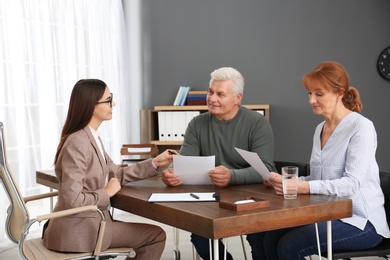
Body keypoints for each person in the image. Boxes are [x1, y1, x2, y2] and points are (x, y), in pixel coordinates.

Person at [250, 61, 390, 259]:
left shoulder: (362, 127)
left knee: (290, 246)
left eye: (319, 94)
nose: (311, 100)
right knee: (267, 237)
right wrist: (283, 182)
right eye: (309, 93)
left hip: (361, 221)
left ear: (339, 93)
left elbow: (351, 184)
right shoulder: (320, 129)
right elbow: (319, 178)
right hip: (325, 214)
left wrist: (300, 187)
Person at [42, 79, 178, 260]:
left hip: (89, 222)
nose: (113, 103)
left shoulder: (91, 137)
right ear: (91, 105)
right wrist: (105, 192)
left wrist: (155, 162)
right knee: (155, 236)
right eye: (108, 100)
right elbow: (72, 200)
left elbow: (116, 173)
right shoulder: (78, 142)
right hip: (79, 231)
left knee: (151, 233)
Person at [161, 67, 276, 260]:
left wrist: (232, 176)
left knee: (258, 237)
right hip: (212, 199)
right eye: (210, 92)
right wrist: (171, 172)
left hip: (251, 198)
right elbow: (185, 161)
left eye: (220, 94)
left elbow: (265, 169)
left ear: (238, 98)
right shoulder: (197, 123)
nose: (212, 98)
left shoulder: (257, 123)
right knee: (200, 234)